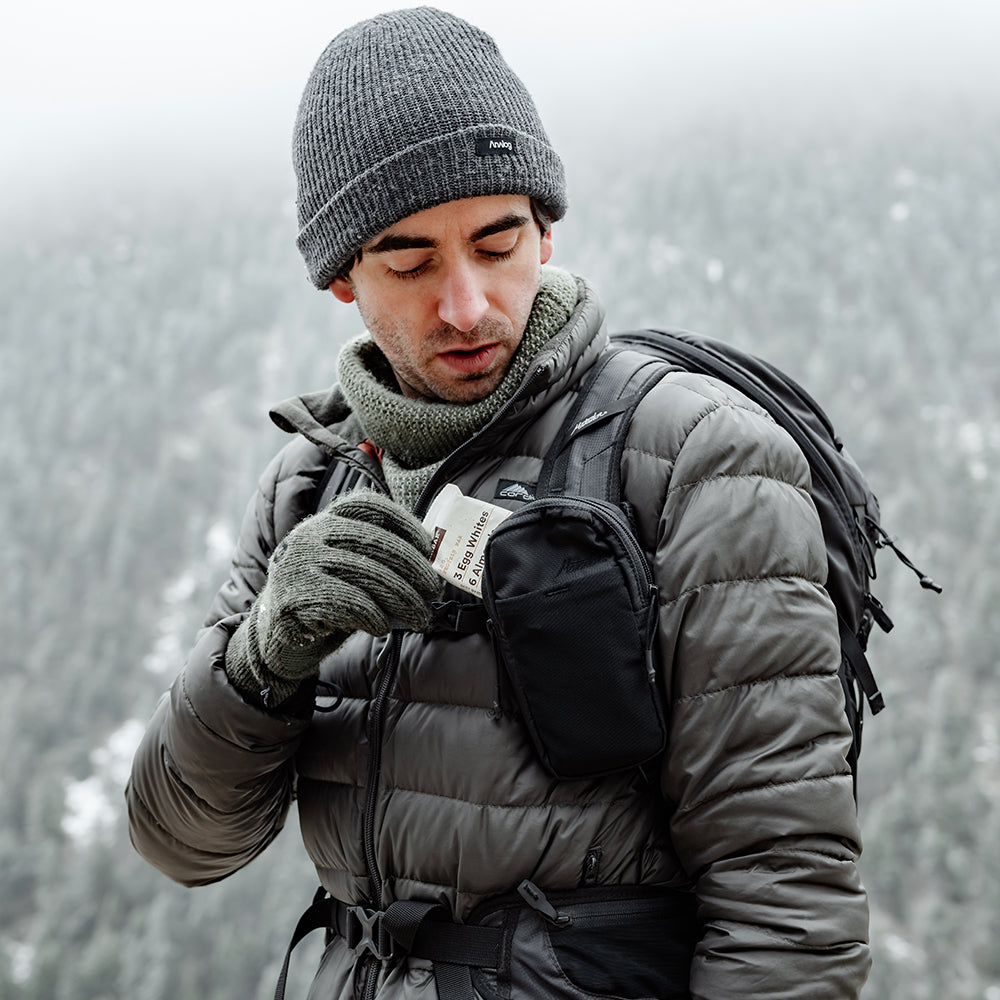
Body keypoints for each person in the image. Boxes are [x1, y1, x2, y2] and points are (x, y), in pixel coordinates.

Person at [126, 7, 871, 999]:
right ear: (341, 275)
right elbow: (184, 841)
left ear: (545, 227)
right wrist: (262, 656)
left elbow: (786, 908)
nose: (467, 303)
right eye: (411, 261)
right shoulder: (315, 482)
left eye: (496, 239)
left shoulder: (694, 458)